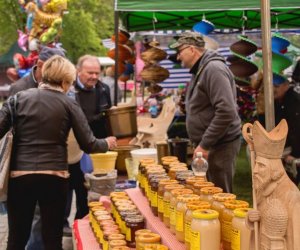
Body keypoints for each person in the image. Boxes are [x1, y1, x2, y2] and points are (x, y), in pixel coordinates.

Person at [0, 55, 117, 250]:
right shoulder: (69, 104)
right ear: (65, 81)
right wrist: (107, 142)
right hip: (54, 177)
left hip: (20, 177)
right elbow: (89, 144)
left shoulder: (17, 99)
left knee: (16, 239)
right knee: (52, 239)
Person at [5, 46, 66, 250]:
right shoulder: (19, 89)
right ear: (40, 65)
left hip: (52, 167)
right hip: (23, 169)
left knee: (46, 226)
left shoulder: (61, 88)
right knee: (20, 231)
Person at [170, 31, 241, 193]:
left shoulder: (213, 69)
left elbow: (226, 111)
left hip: (220, 145)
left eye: (179, 52)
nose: (178, 57)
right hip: (213, 144)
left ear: (192, 49)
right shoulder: (202, 68)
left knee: (220, 196)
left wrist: (205, 144)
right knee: (210, 194)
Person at [246, 119, 300, 250]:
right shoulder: (263, 187)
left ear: (274, 169)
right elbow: (258, 223)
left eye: (261, 166)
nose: (255, 171)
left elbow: (295, 239)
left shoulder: (291, 196)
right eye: (256, 165)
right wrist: (252, 218)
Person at [74, 55, 112, 139]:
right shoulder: (70, 90)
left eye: (97, 73)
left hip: (100, 142)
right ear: (78, 71)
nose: (94, 77)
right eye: (90, 73)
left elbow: (107, 118)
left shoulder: (104, 89)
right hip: (77, 142)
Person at [273, 80, 300, 185]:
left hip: (293, 153)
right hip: (285, 150)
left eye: (276, 86)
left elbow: (296, 130)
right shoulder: (278, 101)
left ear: (286, 85)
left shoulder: (294, 102)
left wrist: (294, 155)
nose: (273, 89)